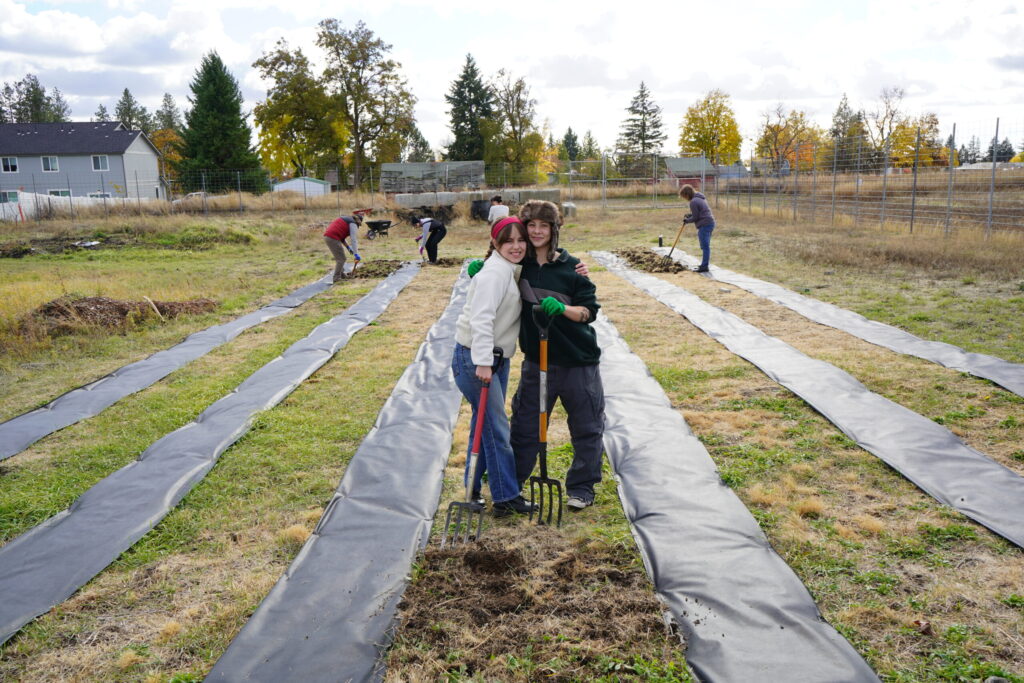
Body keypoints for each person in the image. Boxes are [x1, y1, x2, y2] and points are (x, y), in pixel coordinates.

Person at [509, 200, 605, 512]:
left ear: (554, 230)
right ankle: (512, 484)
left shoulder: (572, 268)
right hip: (538, 362)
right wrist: (480, 270)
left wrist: (563, 308)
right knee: (526, 426)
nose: (537, 231)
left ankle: (582, 487)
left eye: (544, 225)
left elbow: (588, 312)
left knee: (587, 427)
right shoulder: (516, 265)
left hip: (578, 361)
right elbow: (495, 269)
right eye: (531, 225)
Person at [452, 216, 536, 517]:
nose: (516, 246)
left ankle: (472, 490)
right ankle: (505, 497)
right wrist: (484, 362)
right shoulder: (495, 274)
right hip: (476, 359)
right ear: (495, 244)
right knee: (497, 428)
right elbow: (481, 318)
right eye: (508, 241)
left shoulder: (509, 269)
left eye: (521, 240)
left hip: (494, 359)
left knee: (484, 425)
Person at [680, 184, 715, 272]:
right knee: (705, 246)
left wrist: (687, 221)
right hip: (710, 223)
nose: (684, 198)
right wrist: (690, 215)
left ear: (687, 194)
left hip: (705, 224)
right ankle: (704, 265)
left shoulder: (693, 202)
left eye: (684, 196)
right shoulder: (699, 198)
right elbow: (699, 213)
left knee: (705, 246)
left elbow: (696, 217)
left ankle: (704, 266)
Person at [324, 214, 362, 282]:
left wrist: (348, 247)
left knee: (340, 258)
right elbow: (353, 239)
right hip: (333, 238)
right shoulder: (353, 223)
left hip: (329, 237)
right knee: (341, 259)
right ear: (358, 221)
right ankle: (336, 278)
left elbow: (342, 238)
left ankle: (341, 274)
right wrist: (356, 254)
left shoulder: (346, 220)